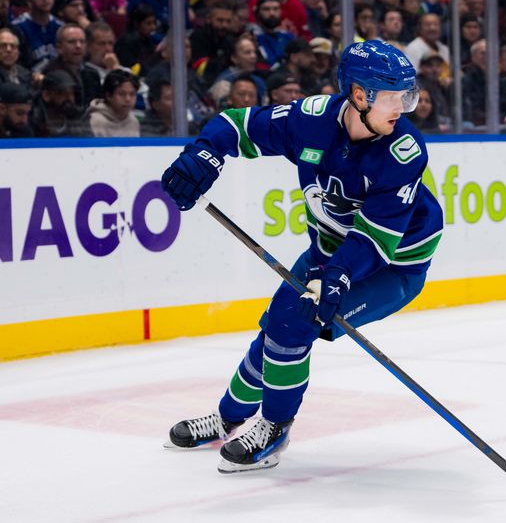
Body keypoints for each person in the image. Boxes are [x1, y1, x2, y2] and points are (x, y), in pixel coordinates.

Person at [160, 40, 443, 474]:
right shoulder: (310, 119)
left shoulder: (404, 151)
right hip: (329, 251)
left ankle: (274, 428)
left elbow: (374, 242)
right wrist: (204, 153)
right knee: (276, 326)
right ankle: (229, 417)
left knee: (295, 325)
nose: (404, 108)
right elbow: (235, 126)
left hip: (391, 267)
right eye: (394, 97)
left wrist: (339, 278)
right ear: (360, 94)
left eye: (409, 96)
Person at [87, 68, 139, 136]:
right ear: (108, 95)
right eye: (121, 94)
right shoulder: (94, 121)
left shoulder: (134, 121)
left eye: (132, 94)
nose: (128, 99)